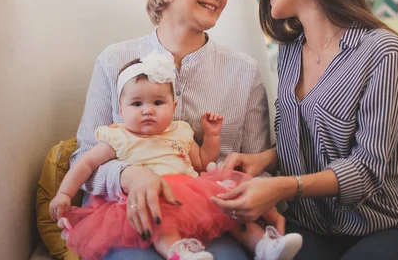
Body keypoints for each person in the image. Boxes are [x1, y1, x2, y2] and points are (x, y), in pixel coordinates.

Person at [210, 0, 398, 260]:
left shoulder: (382, 51)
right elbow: (304, 140)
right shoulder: (290, 52)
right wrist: (263, 160)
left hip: (381, 228)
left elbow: (367, 167)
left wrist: (283, 186)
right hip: (308, 227)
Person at [71, 0, 274, 259]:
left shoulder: (244, 71)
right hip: (128, 219)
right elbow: (83, 158)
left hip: (215, 221)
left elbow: (257, 167)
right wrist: (128, 175)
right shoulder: (113, 60)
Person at [52, 52, 302, 260]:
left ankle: (264, 245)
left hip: (192, 193)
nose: (147, 110)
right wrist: (64, 194)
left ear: (173, 107)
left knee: (228, 211)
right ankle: (179, 253)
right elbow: (86, 163)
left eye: (158, 103)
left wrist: (212, 136)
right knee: (161, 221)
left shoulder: (180, 132)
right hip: (148, 199)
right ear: (120, 109)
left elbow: (203, 162)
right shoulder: (119, 137)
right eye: (137, 104)